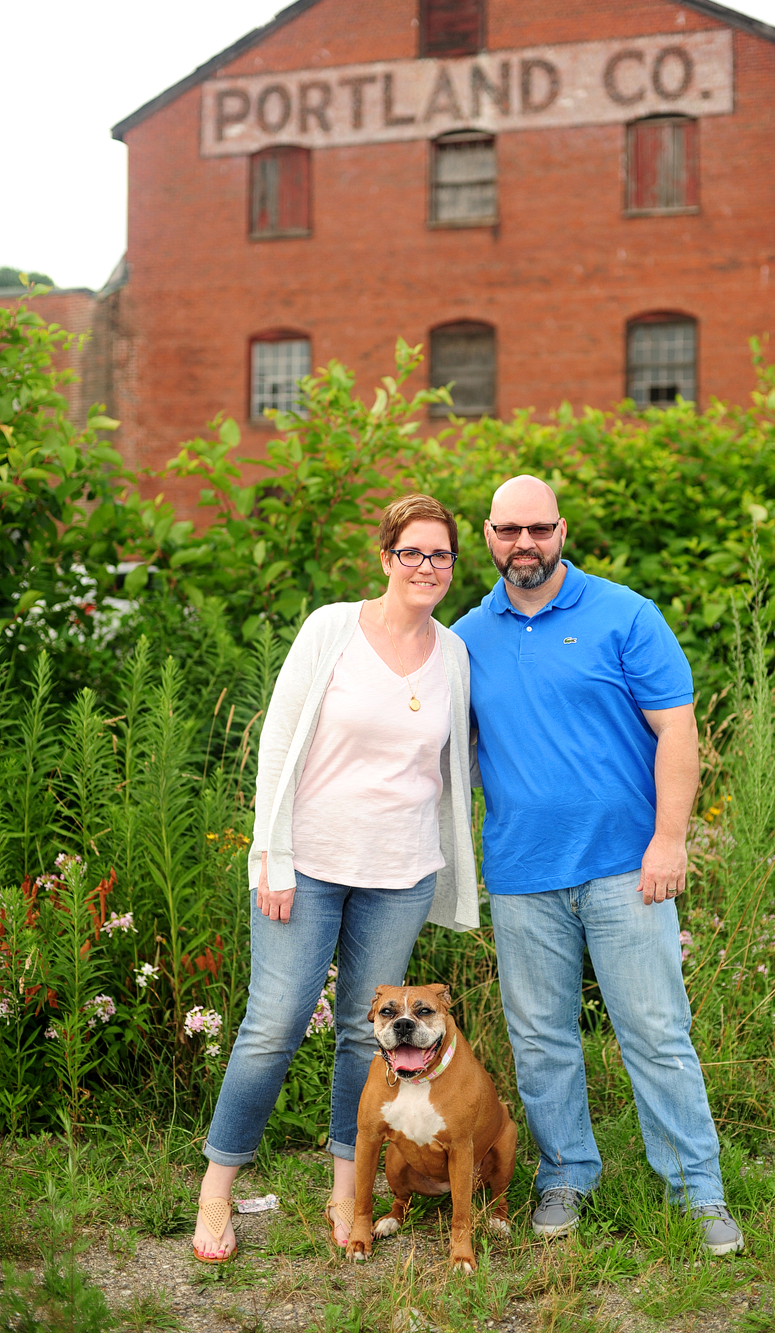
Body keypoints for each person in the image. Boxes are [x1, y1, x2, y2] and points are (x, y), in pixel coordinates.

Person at [452, 474, 744, 1255]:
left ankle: (698, 1191)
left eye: (539, 529)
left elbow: (676, 733)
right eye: (509, 530)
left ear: (562, 530)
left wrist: (669, 840)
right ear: (487, 536)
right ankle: (566, 1175)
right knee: (542, 1038)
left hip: (627, 867)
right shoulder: (465, 637)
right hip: (523, 873)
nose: (525, 544)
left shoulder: (626, 615)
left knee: (655, 1031)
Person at [192, 494, 479, 1261]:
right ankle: (217, 1190)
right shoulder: (331, 629)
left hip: (401, 872)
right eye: (413, 552)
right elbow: (278, 744)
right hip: (309, 866)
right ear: (386, 557)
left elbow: (460, 762)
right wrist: (271, 855)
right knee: (273, 1026)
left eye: (441, 555)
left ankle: (345, 1191)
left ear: (453, 565)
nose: (427, 567)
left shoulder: (453, 653)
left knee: (371, 1038)